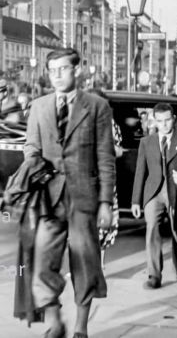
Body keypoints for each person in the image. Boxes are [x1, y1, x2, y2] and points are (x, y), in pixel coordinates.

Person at [24, 48, 115, 338]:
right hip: (48, 200)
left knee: (85, 262)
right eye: (53, 70)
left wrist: (105, 203)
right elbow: (31, 147)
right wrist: (34, 164)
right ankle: (54, 320)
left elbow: (105, 157)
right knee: (42, 262)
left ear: (77, 70)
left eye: (63, 69)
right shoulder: (38, 107)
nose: (58, 75)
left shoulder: (97, 106)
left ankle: (81, 327)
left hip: (83, 198)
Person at [131, 102, 177, 289]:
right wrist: (136, 200)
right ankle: (154, 275)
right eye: (160, 121)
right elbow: (140, 172)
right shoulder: (146, 142)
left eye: (167, 120)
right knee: (152, 230)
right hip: (153, 193)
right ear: (154, 121)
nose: (164, 125)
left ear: (173, 119)